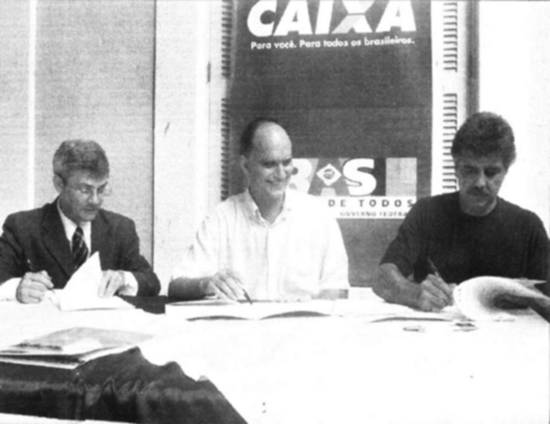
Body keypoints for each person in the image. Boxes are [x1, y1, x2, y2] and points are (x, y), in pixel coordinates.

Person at [373, 111, 549, 311]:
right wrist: (414, 294)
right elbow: (382, 278)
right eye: (470, 171)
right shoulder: (427, 213)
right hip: (438, 328)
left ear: (505, 171)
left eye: (491, 172)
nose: (480, 182)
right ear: (456, 168)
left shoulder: (528, 226)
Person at [168, 118, 349, 301]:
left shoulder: (318, 215)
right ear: (245, 166)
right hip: (240, 320)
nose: (281, 174)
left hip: (303, 320)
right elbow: (176, 286)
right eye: (269, 164)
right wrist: (205, 284)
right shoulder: (221, 218)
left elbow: (337, 288)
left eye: (286, 162)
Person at [0, 139, 160, 303]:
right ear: (59, 184)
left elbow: (151, 282)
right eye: (85, 190)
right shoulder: (22, 227)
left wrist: (123, 278)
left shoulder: (120, 228)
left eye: (101, 189)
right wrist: (16, 289)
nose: (95, 200)